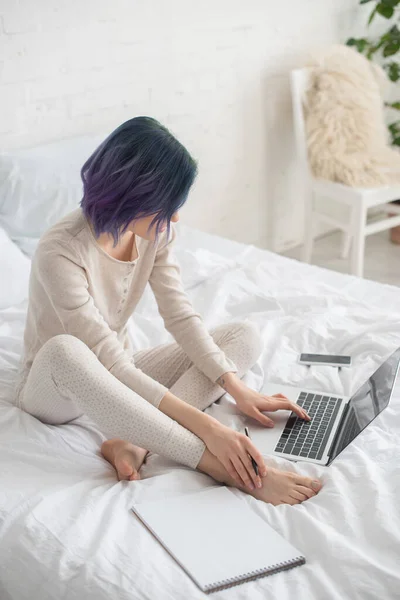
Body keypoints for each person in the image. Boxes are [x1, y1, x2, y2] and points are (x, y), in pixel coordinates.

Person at [14, 117, 322, 506]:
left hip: (119, 369)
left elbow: (178, 314)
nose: (174, 217)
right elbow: (106, 360)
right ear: (132, 193)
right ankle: (219, 467)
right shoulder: (59, 251)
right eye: (167, 203)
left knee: (241, 337)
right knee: (65, 349)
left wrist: (236, 388)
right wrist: (209, 430)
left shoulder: (155, 232)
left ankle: (133, 443)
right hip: (56, 387)